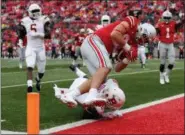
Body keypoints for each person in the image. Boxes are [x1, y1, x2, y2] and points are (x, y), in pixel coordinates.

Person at [60, 15, 156, 108]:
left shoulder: (134, 45)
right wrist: (127, 47)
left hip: (95, 48)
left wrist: (127, 59)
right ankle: (91, 96)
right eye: (146, 38)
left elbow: (117, 69)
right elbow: (114, 34)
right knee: (106, 67)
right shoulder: (132, 22)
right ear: (143, 31)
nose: (144, 41)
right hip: (94, 41)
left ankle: (71, 95)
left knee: (100, 81)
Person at [54, 65, 125, 119]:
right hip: (78, 86)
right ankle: (63, 92)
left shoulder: (112, 85)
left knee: (89, 79)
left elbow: (113, 83)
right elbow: (86, 109)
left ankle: (75, 68)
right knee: (87, 81)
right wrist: (104, 114)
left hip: (85, 85)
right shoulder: (96, 104)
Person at [16, 3, 51, 92]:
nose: (36, 13)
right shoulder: (25, 20)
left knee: (42, 71)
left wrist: (38, 34)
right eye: (34, 11)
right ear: (30, 12)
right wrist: (20, 40)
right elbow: (21, 32)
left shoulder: (44, 19)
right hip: (31, 47)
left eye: (37, 10)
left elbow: (48, 35)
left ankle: (38, 79)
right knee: (30, 66)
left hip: (41, 48)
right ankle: (30, 86)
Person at [156, 10, 184, 84]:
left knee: (172, 62)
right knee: (162, 62)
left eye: (168, 17)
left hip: (170, 44)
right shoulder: (159, 24)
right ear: (163, 17)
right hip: (162, 44)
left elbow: (180, 23)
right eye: (165, 17)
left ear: (171, 18)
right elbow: (155, 32)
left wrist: (182, 18)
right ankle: (161, 77)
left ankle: (166, 74)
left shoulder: (173, 23)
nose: (167, 19)